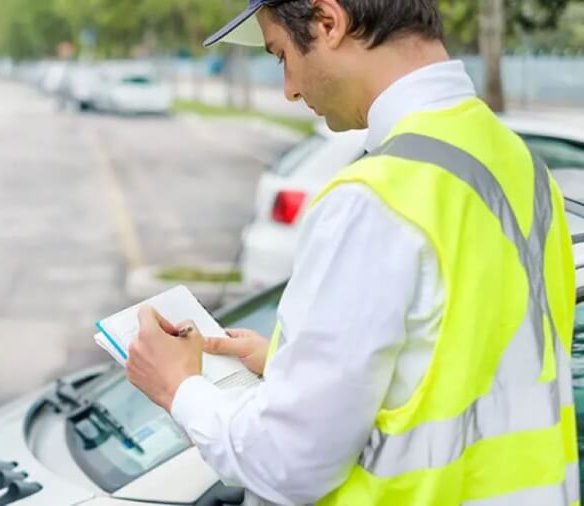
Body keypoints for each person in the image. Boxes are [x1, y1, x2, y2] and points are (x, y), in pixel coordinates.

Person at [125, 1, 579, 505]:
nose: (289, 89)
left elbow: (287, 463)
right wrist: (290, 367)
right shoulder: (520, 165)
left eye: (281, 55)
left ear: (327, 22)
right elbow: (469, 359)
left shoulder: (374, 198)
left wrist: (179, 388)